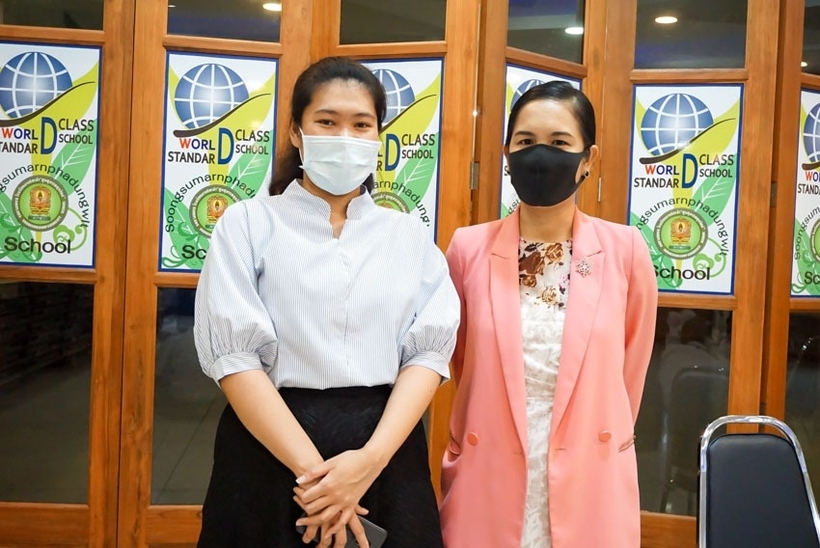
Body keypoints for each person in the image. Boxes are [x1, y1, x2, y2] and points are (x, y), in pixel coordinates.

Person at [193, 56, 458, 548]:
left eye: (361, 125)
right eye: (327, 122)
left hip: (383, 452)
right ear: (296, 132)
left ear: (379, 136)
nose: (345, 137)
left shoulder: (408, 235)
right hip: (269, 451)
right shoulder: (247, 224)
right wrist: (322, 483)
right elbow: (234, 358)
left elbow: (427, 354)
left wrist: (367, 464)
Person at [439, 81, 658, 548]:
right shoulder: (467, 248)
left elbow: (629, 373)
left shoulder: (625, 250)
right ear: (507, 154)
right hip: (490, 467)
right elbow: (461, 363)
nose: (540, 155)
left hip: (590, 470)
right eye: (525, 141)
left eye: (559, 142)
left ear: (588, 159)